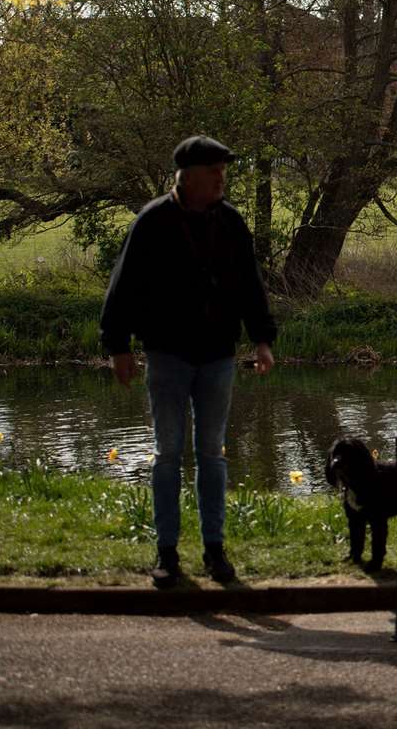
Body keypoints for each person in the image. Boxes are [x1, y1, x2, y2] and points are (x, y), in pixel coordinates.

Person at [101, 135, 277, 588]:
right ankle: (167, 553)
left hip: (218, 355)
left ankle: (215, 551)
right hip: (167, 355)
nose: (222, 179)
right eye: (214, 171)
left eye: (224, 170)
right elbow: (124, 287)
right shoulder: (153, 221)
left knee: (212, 453)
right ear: (188, 176)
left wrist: (262, 340)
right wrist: (118, 346)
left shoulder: (231, 222)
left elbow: (249, 286)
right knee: (167, 452)